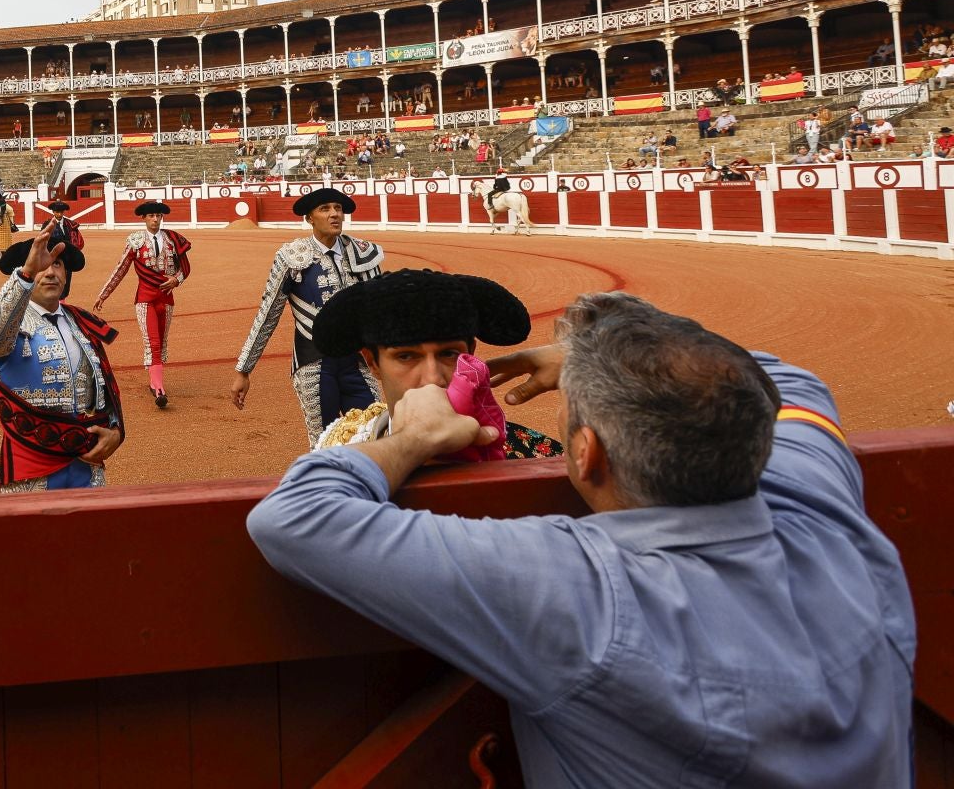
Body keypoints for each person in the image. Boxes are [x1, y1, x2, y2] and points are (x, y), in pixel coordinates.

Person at [247, 292, 913, 787]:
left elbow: (297, 515)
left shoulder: (579, 590)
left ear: (586, 454)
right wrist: (597, 359)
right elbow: (785, 379)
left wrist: (414, 438)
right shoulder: (824, 514)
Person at [302, 268, 560, 457]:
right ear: (373, 364)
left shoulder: (344, 453)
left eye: (448, 354)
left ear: (470, 354)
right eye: (406, 356)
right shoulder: (340, 441)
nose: (433, 378)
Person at [230, 188, 385, 446]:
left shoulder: (362, 252)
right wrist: (243, 370)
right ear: (309, 218)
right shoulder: (292, 257)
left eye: (338, 208)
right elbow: (268, 315)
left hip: (358, 360)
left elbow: (381, 310)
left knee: (375, 434)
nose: (334, 214)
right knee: (323, 442)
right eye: (325, 209)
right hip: (314, 361)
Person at [0, 231, 125, 492]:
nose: (50, 272)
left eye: (57, 264)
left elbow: (103, 385)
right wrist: (26, 274)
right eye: (42, 266)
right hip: (31, 469)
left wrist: (116, 431)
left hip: (86, 467)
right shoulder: (10, 326)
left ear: (66, 275)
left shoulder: (81, 322)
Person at [94, 200, 191, 408]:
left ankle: (154, 381)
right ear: (144, 218)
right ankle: (159, 388)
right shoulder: (135, 240)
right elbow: (121, 269)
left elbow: (184, 267)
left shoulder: (172, 239)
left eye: (158, 215)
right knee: (153, 343)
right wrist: (104, 294)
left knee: (162, 343)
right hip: (145, 299)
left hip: (166, 298)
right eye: (151, 216)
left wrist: (177, 279)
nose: (155, 219)